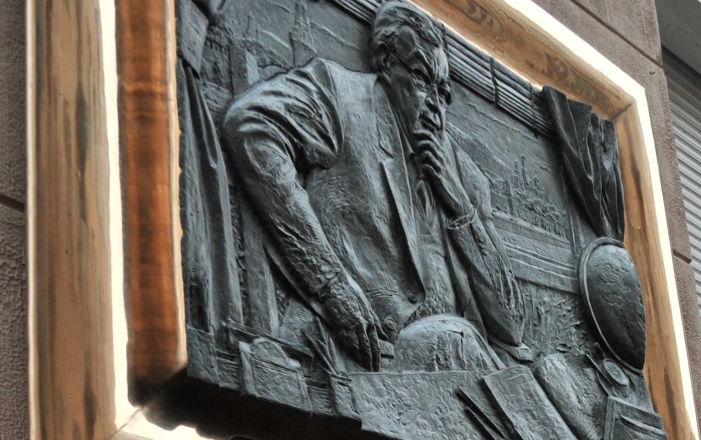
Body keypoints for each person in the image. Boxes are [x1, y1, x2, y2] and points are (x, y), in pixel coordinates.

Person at [221, 1, 528, 373]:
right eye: (420, 77)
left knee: (535, 372)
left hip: (460, 379)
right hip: (371, 359)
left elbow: (511, 327)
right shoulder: (341, 95)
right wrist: (332, 286)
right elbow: (251, 126)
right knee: (459, 340)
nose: (435, 106)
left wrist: (460, 207)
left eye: (443, 93)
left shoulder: (465, 175)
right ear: (385, 62)